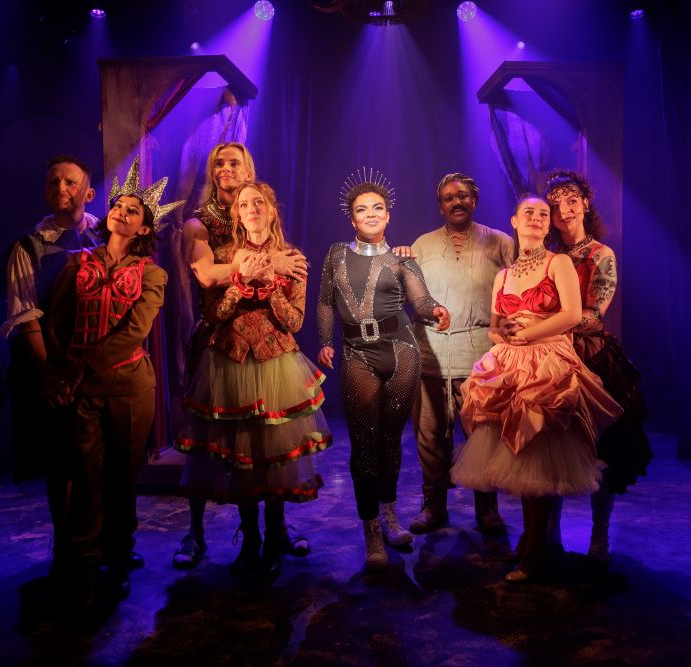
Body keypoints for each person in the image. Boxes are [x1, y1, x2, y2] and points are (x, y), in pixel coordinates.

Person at [450, 193, 621, 582]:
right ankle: (533, 541)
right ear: (513, 221)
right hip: (511, 359)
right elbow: (494, 328)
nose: (538, 218)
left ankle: (536, 553)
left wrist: (528, 333)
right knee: (518, 452)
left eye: (544, 214)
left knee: (537, 450)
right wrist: (503, 335)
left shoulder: (558, 262)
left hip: (546, 359)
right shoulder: (503, 275)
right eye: (529, 212)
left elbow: (572, 314)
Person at [177, 181, 330, 577]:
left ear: (271, 210)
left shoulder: (291, 259)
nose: (252, 209)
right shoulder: (224, 258)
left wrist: (270, 289)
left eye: (259, 202)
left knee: (273, 456)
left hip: (276, 366)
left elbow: (294, 322)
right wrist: (240, 283)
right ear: (237, 215)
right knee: (242, 455)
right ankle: (250, 539)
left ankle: (275, 535)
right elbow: (213, 316)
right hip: (231, 362)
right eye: (244, 204)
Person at [45, 157, 175, 604]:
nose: (121, 211)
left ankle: (119, 557)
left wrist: (82, 366)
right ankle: (85, 558)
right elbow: (57, 322)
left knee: (122, 476)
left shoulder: (152, 273)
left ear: (143, 227)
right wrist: (62, 368)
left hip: (128, 387)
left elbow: (135, 332)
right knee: (85, 475)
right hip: (83, 389)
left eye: (132, 210)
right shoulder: (76, 263)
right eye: (117, 205)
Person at [317, 169, 451, 570]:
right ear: (352, 219)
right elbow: (325, 301)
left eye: (378, 208)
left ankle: (389, 513)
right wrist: (324, 340)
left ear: (388, 215)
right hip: (357, 353)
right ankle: (370, 525)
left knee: (391, 439)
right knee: (364, 442)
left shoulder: (401, 259)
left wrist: (436, 310)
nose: (371, 214)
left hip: (401, 350)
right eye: (362, 209)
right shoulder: (336, 254)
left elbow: (421, 300)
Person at [0, 155, 102, 581]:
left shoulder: (104, 235)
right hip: (55, 368)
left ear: (88, 192)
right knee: (62, 462)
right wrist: (51, 375)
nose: (62, 188)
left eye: (71, 182)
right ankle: (66, 546)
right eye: (54, 182)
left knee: (100, 459)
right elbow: (26, 314)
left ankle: (101, 543)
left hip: (98, 367)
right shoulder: (28, 247)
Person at [543, 169, 652, 561]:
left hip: (591, 357)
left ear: (586, 204)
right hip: (550, 355)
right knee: (551, 446)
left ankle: (599, 535)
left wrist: (546, 325)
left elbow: (594, 316)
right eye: (556, 205)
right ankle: (550, 533)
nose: (565, 210)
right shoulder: (547, 256)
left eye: (572, 201)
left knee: (600, 448)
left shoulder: (600, 254)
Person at [406, 173, 515, 535]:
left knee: (483, 434)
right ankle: (434, 506)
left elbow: (518, 287)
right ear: (440, 206)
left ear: (474, 201)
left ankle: (487, 509)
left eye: (463, 195)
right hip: (432, 352)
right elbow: (406, 293)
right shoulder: (422, 245)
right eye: (449, 197)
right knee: (430, 436)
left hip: (481, 355)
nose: (457, 202)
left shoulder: (500, 242)